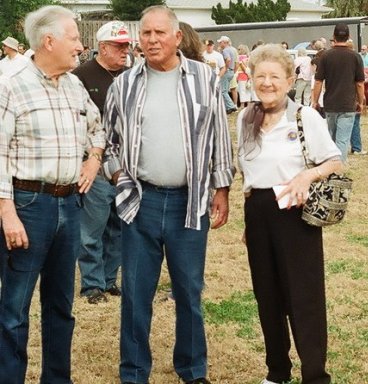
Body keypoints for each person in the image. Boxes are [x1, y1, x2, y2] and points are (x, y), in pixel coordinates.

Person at [103, 5, 235, 384]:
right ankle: (133, 372)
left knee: (189, 293)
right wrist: (118, 177)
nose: (152, 40)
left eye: (160, 33)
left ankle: (193, 371)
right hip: (139, 202)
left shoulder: (204, 79)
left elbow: (217, 137)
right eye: (145, 34)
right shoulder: (124, 85)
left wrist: (222, 187)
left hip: (189, 203)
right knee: (135, 295)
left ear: (178, 37)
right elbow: (110, 141)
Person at [0, 5, 105, 383]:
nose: (81, 46)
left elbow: (98, 129)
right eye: (75, 38)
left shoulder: (74, 86)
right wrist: (7, 213)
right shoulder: (11, 85)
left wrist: (93, 160)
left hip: (69, 206)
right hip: (28, 208)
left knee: (61, 305)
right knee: (14, 309)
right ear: (49, 41)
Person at [237, 43, 343, 384]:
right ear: (251, 79)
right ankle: (277, 372)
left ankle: (314, 375)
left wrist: (305, 175)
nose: (267, 83)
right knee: (267, 296)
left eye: (274, 76)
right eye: (260, 76)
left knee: (304, 298)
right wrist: (248, 219)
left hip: (295, 216)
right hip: (258, 213)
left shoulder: (304, 116)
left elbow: (334, 160)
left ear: (289, 79)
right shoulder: (245, 117)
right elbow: (248, 175)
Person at [72, 20, 130, 304]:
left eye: (127, 46)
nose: (125, 51)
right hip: (94, 162)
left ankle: (110, 279)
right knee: (92, 227)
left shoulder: (132, 76)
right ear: (103, 47)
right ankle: (92, 284)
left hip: (125, 164)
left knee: (119, 226)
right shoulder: (81, 75)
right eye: (119, 46)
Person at [312, 23, 365, 162]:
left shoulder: (325, 56)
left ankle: (331, 166)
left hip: (330, 104)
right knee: (342, 140)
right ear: (348, 37)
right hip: (348, 104)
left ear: (334, 37)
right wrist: (361, 102)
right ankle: (338, 169)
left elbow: (318, 81)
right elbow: (359, 83)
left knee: (331, 138)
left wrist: (314, 101)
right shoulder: (356, 57)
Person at [217, 35, 237, 114]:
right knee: (226, 89)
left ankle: (231, 106)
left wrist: (224, 68)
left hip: (227, 71)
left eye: (220, 42)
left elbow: (228, 59)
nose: (219, 44)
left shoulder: (225, 50)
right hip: (231, 71)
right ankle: (228, 107)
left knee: (223, 91)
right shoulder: (232, 50)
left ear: (224, 42)